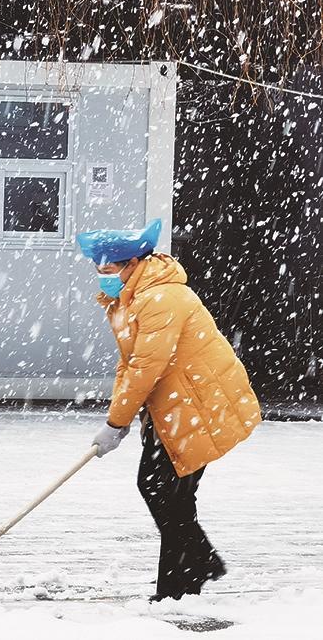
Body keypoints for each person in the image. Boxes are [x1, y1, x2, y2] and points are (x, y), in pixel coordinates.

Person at [77, 218, 261, 601]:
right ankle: (184, 581)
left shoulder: (161, 298)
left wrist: (117, 421)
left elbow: (147, 367)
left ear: (132, 263)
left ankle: (195, 566)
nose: (102, 277)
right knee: (172, 494)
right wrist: (118, 421)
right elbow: (128, 365)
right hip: (177, 405)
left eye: (108, 269)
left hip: (199, 404)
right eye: (98, 269)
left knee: (159, 487)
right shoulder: (130, 298)